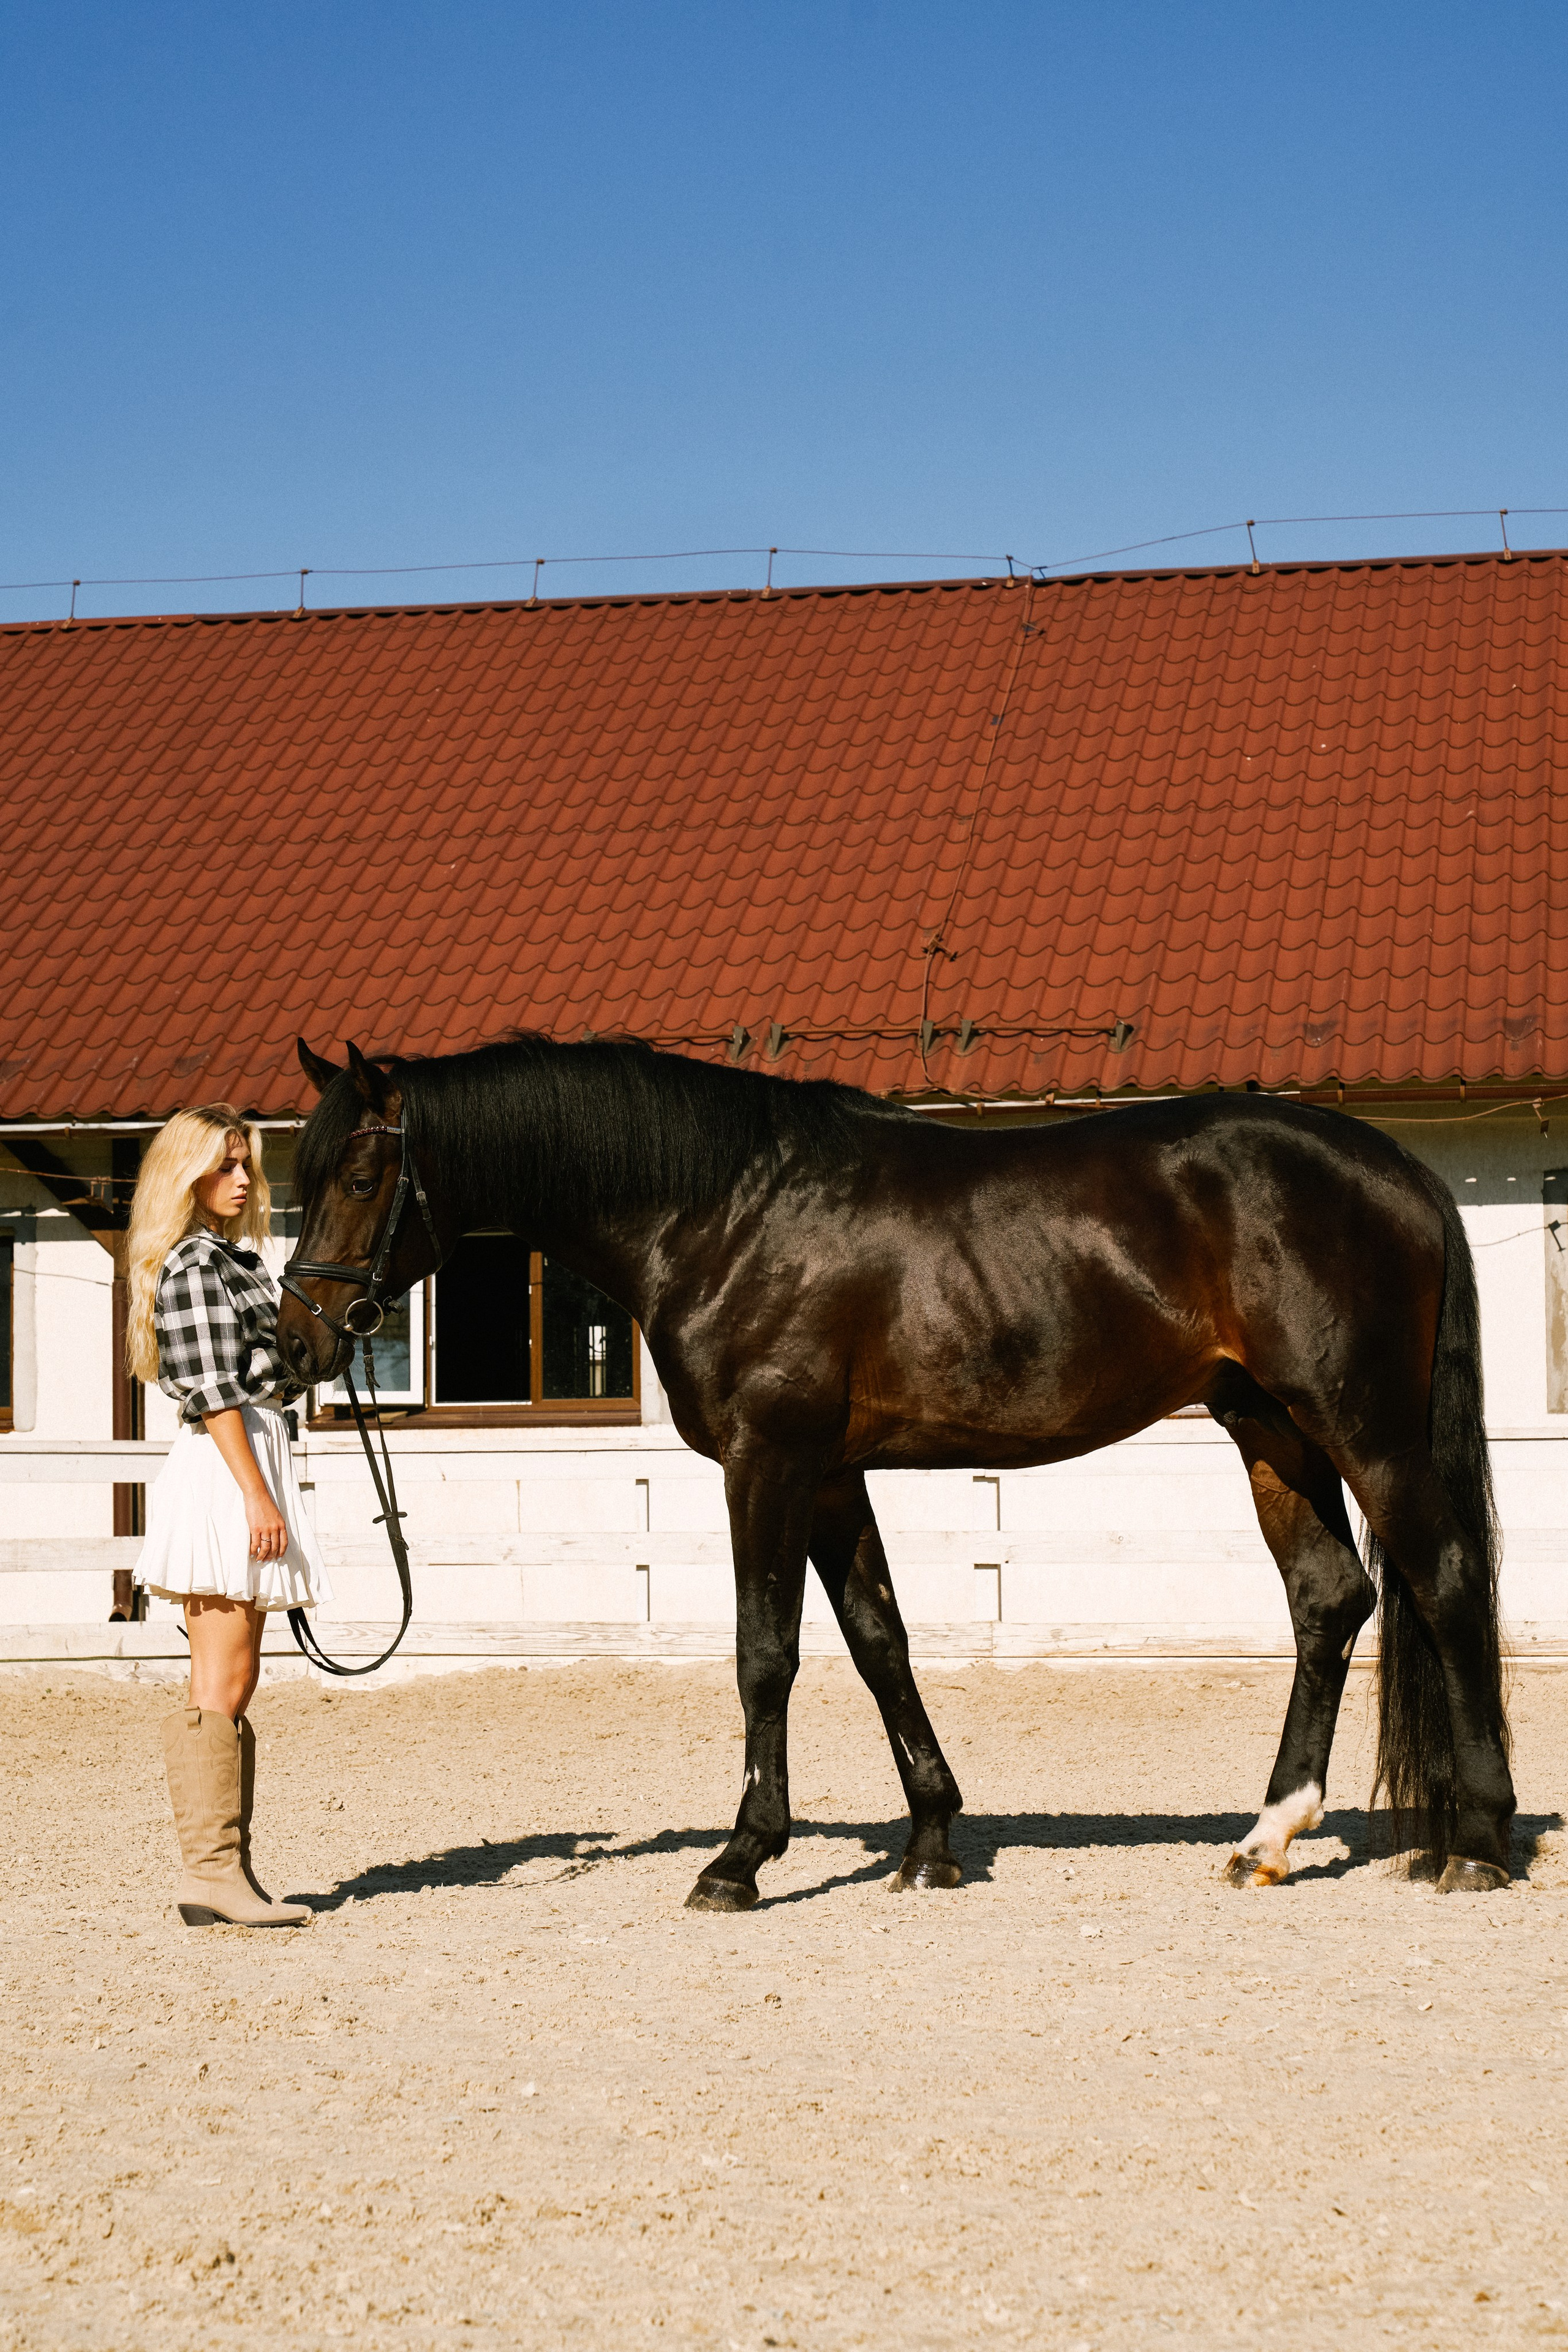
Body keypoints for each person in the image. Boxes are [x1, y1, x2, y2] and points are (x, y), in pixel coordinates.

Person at [126, 1104, 331, 1928]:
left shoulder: (231, 1260)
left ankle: (222, 1871)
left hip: (246, 1452)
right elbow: (216, 1394)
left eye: (246, 1164)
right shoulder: (193, 1267)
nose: (243, 1179)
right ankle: (210, 1872)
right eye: (225, 1165)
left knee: (234, 1674)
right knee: (222, 1675)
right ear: (189, 1174)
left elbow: (263, 1374)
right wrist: (256, 1494)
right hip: (226, 1465)